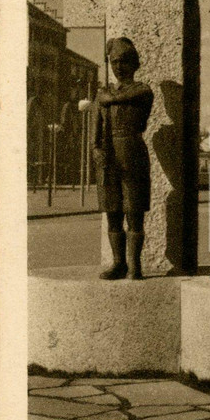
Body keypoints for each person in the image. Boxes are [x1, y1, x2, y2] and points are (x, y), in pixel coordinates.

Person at [81, 37, 154, 280]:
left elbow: (139, 94)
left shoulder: (141, 90)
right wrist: (96, 150)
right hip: (109, 154)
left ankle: (135, 265)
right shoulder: (103, 95)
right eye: (114, 62)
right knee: (112, 212)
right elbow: (96, 130)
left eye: (124, 61)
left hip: (132, 151)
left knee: (133, 211)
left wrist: (106, 98)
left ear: (134, 64)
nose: (119, 67)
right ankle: (119, 263)